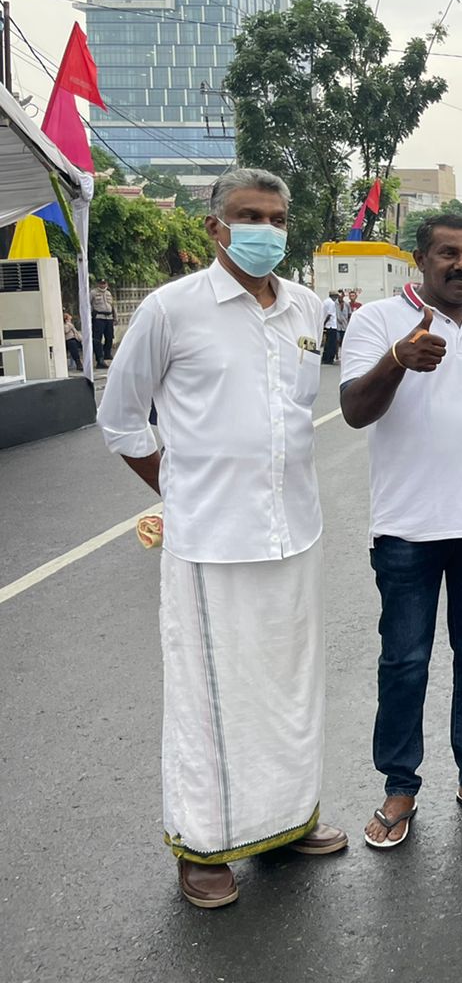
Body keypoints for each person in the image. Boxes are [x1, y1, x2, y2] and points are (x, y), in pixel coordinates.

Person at [96, 167, 344, 909]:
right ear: (216, 227)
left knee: (289, 691)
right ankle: (201, 846)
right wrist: (177, 490)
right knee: (209, 703)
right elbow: (121, 419)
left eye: (275, 216)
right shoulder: (174, 310)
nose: (264, 228)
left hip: (294, 533)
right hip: (210, 542)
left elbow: (293, 419)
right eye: (248, 215)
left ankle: (287, 821)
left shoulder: (306, 307)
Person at [340, 212, 462, 849]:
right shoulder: (376, 322)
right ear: (420, 260)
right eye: (448, 253)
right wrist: (398, 360)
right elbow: (353, 411)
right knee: (404, 662)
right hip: (406, 530)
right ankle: (400, 786)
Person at [90, 277, 115, 368]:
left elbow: (112, 306)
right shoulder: (93, 293)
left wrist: (115, 317)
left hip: (109, 317)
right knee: (97, 339)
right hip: (98, 318)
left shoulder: (108, 293)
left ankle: (107, 354)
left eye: (104, 283)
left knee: (110, 337)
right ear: (98, 284)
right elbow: (88, 305)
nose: (103, 285)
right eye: (101, 283)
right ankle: (99, 359)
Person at [321, 290, 341, 365]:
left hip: (328, 326)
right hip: (331, 326)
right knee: (331, 344)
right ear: (334, 296)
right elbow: (329, 315)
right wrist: (324, 323)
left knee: (327, 344)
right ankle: (329, 359)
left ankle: (325, 358)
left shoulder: (325, 301)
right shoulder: (331, 303)